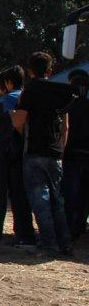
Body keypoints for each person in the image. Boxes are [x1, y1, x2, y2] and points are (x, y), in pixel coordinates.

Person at [13, 52, 74, 256]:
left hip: (34, 151)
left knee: (40, 199)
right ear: (50, 70)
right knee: (58, 199)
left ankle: (49, 243)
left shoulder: (29, 91)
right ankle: (65, 243)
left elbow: (19, 120)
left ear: (29, 71)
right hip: (55, 152)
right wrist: (61, 150)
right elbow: (66, 126)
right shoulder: (62, 90)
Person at [0, 66, 34, 243]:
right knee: (19, 194)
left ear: (8, 83)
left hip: (0, 153)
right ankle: (24, 234)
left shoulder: (1, 103)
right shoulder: (29, 100)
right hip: (21, 154)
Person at [62, 68, 89, 239]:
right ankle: (79, 226)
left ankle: (69, 229)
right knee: (84, 195)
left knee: (70, 194)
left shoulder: (66, 108)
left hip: (70, 154)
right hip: (87, 155)